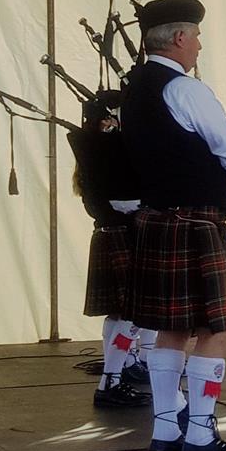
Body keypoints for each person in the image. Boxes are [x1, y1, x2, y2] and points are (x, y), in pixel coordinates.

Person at [121, 0, 226, 451]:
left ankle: (164, 432)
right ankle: (199, 434)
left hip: (155, 218)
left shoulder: (133, 90)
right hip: (195, 221)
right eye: (196, 36)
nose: (198, 45)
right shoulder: (186, 89)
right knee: (215, 329)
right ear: (179, 37)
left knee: (170, 329)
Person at [68, 93, 152, 409]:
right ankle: (111, 380)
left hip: (114, 233)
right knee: (132, 311)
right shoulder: (102, 150)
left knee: (119, 312)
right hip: (121, 233)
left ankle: (118, 373)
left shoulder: (97, 150)